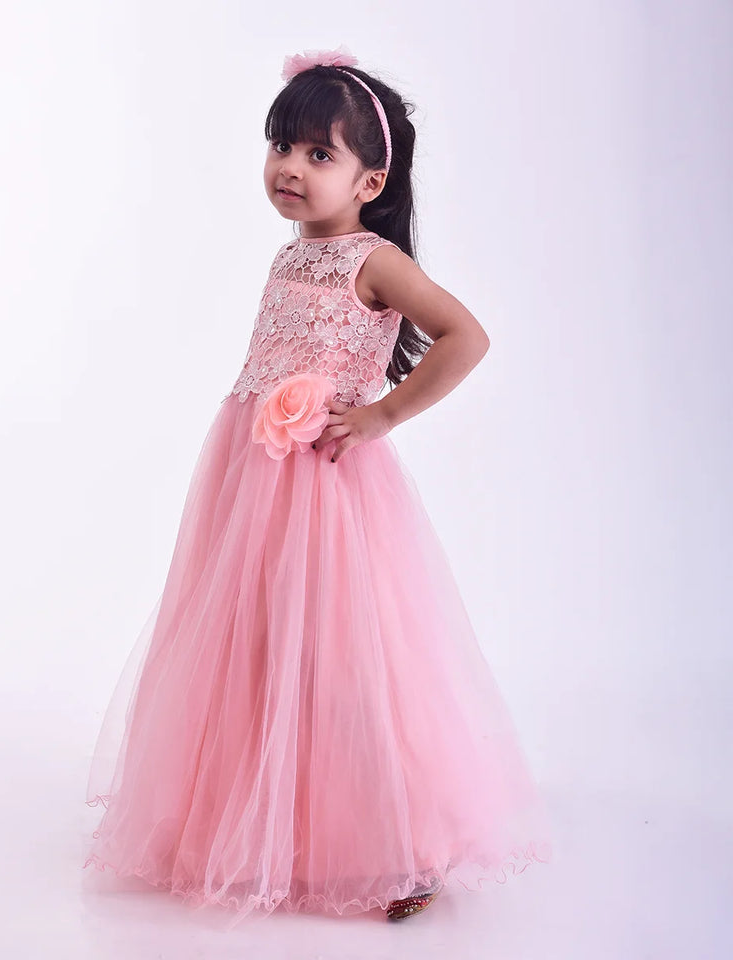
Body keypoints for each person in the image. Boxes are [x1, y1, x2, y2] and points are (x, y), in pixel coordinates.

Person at [82, 45, 553, 929]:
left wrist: (378, 416)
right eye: (280, 147)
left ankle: (399, 839)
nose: (289, 169)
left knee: (342, 662)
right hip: (249, 471)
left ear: (370, 180)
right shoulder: (288, 256)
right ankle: (261, 824)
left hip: (325, 489)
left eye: (317, 154)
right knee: (251, 648)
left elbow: (465, 336)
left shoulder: (372, 262)